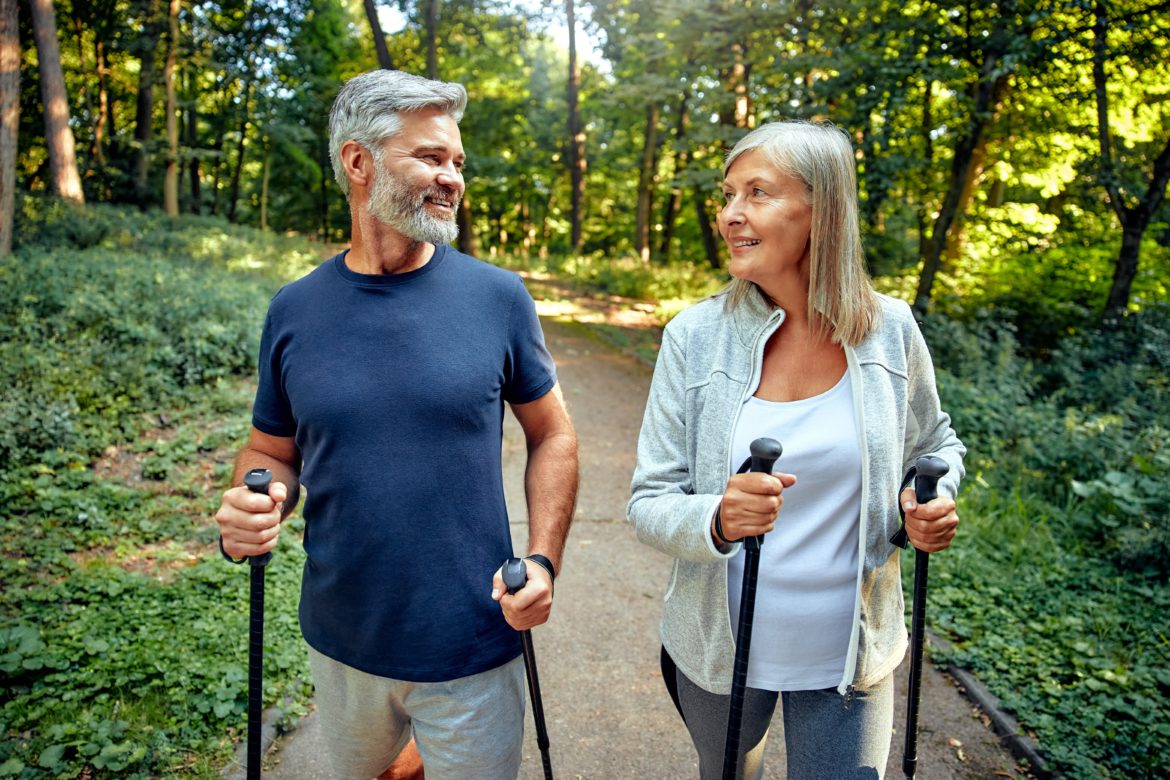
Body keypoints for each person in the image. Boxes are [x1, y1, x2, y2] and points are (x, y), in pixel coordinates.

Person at [215, 69, 578, 780]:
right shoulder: (294, 309)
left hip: (474, 638)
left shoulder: (498, 298)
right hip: (342, 638)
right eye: (431, 157)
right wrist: (255, 507)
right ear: (359, 162)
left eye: (458, 163)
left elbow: (553, 434)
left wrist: (542, 559)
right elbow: (269, 448)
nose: (452, 178)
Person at [626, 120, 965, 779]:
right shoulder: (694, 337)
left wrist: (926, 498)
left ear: (822, 209)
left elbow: (934, 444)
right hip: (719, 655)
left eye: (758, 192)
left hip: (851, 656)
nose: (730, 215)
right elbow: (648, 501)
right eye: (727, 195)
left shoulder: (890, 329)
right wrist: (718, 519)